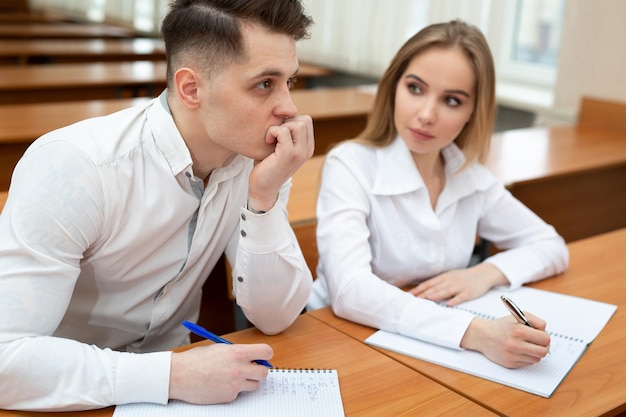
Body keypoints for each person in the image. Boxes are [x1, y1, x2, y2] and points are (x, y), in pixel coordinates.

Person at [0, 0, 315, 411]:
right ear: (191, 88)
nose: (289, 108)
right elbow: (6, 359)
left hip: (182, 393)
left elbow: (276, 317)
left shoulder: (254, 164)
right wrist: (173, 375)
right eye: (264, 84)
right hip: (68, 393)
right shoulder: (76, 167)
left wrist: (264, 200)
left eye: (290, 81)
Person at [307, 20, 569, 369]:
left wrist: (483, 274)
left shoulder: (469, 177)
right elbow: (350, 291)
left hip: (424, 344)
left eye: (451, 100)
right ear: (393, 86)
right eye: (415, 88)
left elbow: (550, 246)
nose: (427, 115)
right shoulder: (351, 165)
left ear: (473, 111)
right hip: (339, 337)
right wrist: (476, 333)